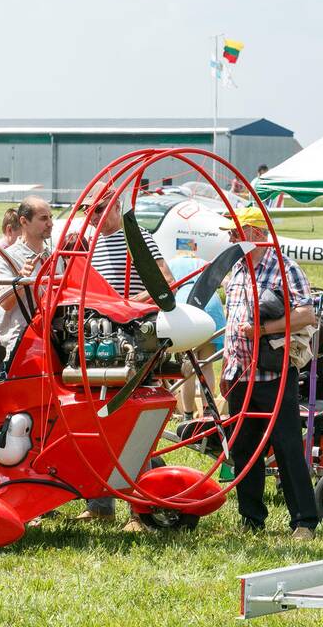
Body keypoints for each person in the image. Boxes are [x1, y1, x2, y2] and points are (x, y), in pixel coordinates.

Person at [221, 206, 319, 541]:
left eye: (236, 232)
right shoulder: (235, 270)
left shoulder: (283, 268)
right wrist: (227, 371)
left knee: (287, 445)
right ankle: (251, 519)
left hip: (273, 375)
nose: (231, 238)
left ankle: (304, 521)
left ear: (256, 235)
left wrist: (265, 329)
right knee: (244, 450)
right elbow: (231, 326)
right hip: (240, 375)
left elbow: (307, 314)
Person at [78, 187, 174, 527]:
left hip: (133, 340)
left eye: (101, 208)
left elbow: (165, 280)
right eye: (90, 210)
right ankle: (100, 503)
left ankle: (140, 508)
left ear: (117, 206)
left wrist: (127, 305)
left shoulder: (138, 237)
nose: (95, 216)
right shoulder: (91, 243)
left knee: (135, 424)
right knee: (98, 420)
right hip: (101, 342)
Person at [0, 196, 54, 360]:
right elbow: (5, 304)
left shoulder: (55, 257)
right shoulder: (5, 258)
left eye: (51, 217)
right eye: (43, 218)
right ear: (24, 221)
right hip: (19, 349)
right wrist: (20, 280)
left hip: (51, 345)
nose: (50, 223)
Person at [168, 251, 225, 421]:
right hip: (211, 303)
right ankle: (208, 412)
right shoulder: (201, 261)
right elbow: (222, 281)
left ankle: (187, 415)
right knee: (206, 365)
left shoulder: (170, 263)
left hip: (187, 306)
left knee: (187, 369)